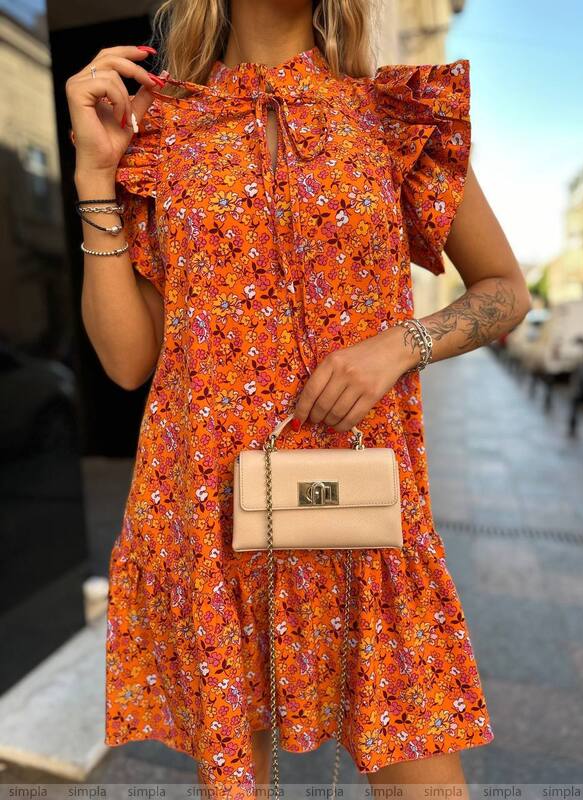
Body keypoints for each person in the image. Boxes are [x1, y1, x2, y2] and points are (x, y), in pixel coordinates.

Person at [65, 0, 531, 797]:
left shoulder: (389, 115)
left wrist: (400, 346)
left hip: (367, 512)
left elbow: (506, 290)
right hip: (211, 514)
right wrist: (93, 176)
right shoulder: (164, 130)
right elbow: (127, 359)